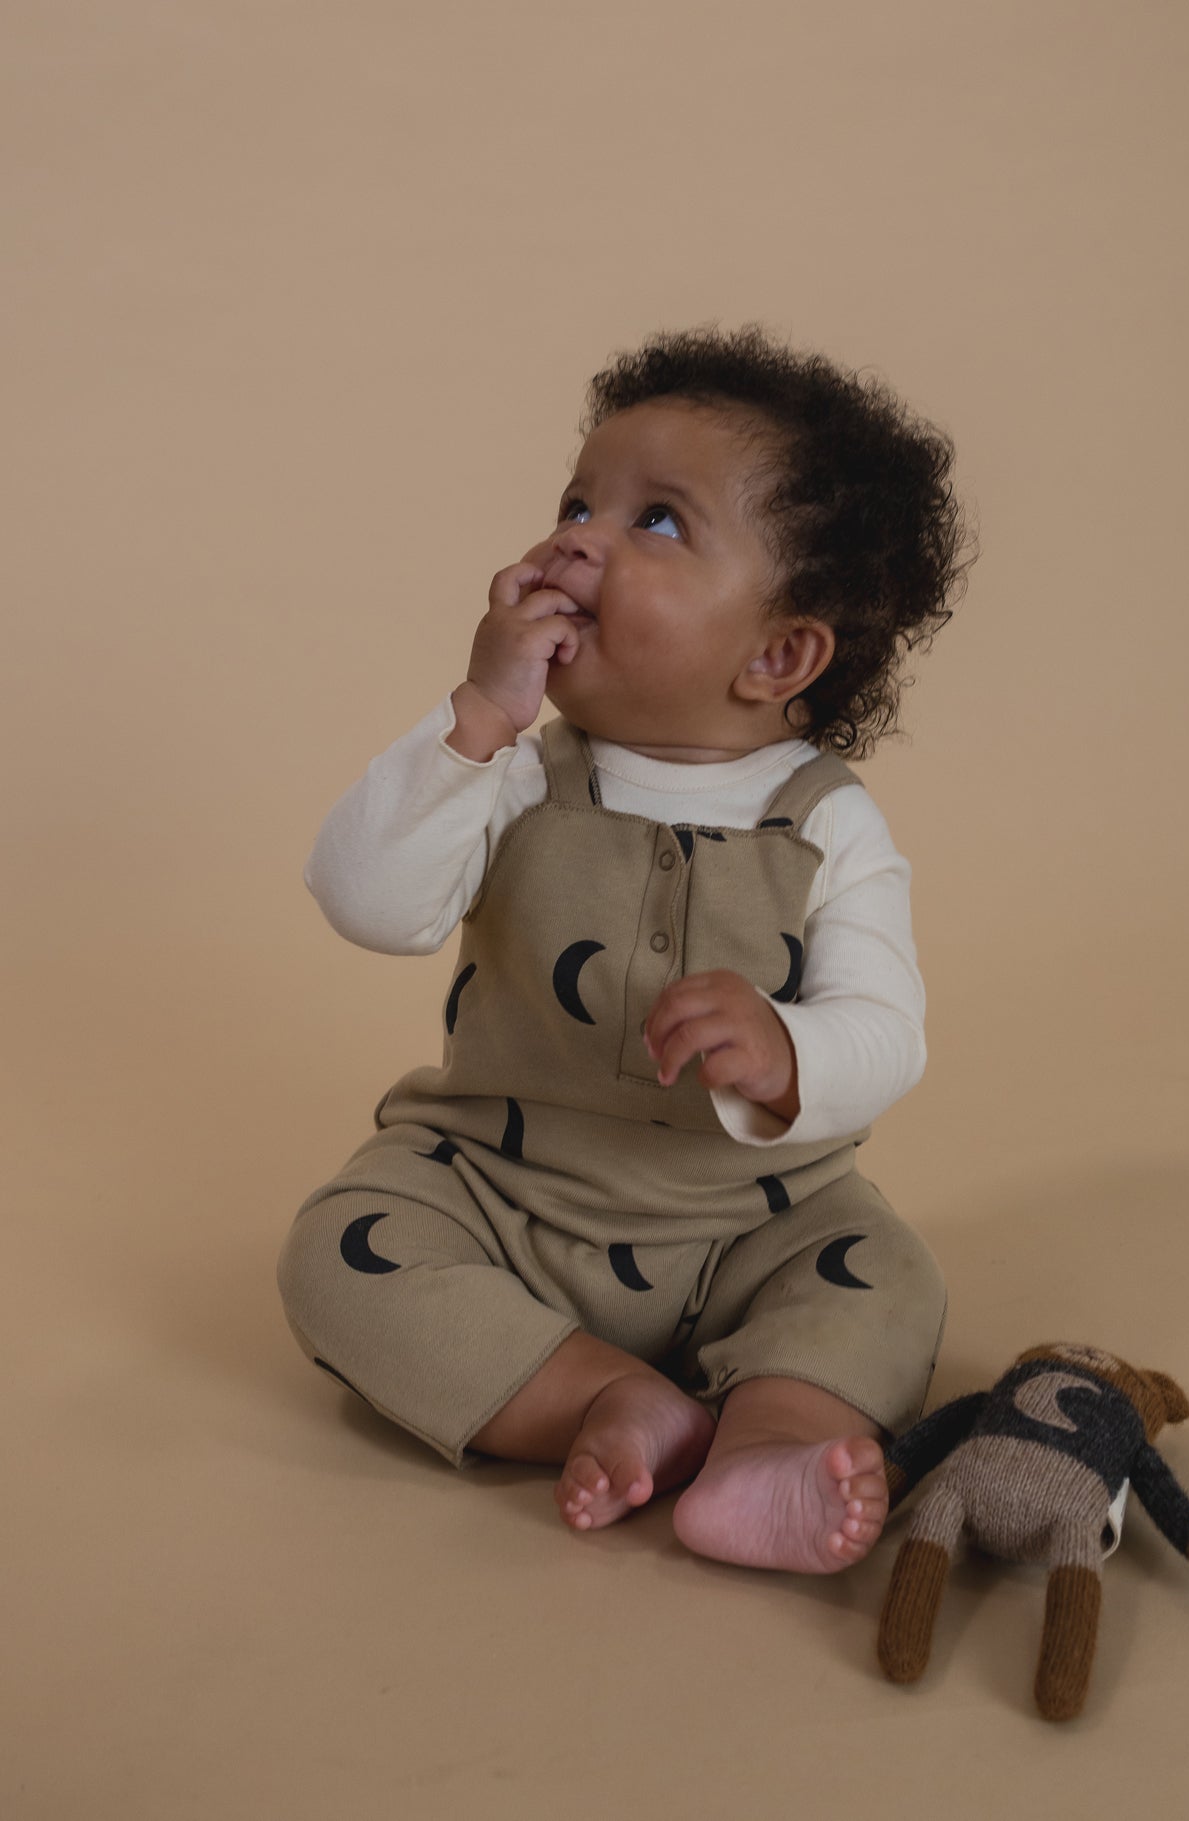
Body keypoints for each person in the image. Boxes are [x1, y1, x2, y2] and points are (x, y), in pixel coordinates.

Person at [277, 323, 970, 1574]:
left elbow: (888, 1033)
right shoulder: (513, 776)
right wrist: (478, 719)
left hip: (752, 1218)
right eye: (577, 501)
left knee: (886, 1276)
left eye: (655, 521)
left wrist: (785, 1048)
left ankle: (770, 1444)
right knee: (338, 1254)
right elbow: (370, 901)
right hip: (496, 1190)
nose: (579, 536)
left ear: (776, 654)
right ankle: (599, 1395)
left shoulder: (827, 824)